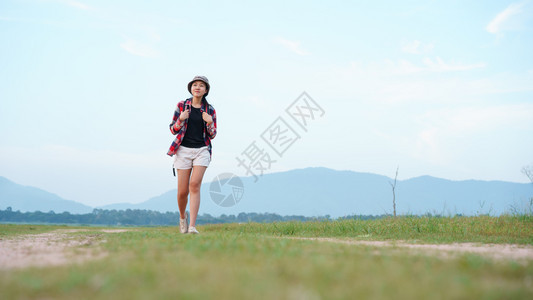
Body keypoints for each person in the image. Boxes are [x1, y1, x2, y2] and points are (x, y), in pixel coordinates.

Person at [167, 75, 217, 234]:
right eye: (195, 85)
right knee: (182, 191)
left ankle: (192, 226)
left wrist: (209, 122)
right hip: (183, 150)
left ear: (206, 90)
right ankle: (183, 217)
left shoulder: (210, 110)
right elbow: (172, 129)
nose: (198, 87)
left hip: (202, 150)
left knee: (195, 185)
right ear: (191, 88)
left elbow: (213, 134)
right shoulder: (181, 105)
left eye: (201, 86)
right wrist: (180, 119)